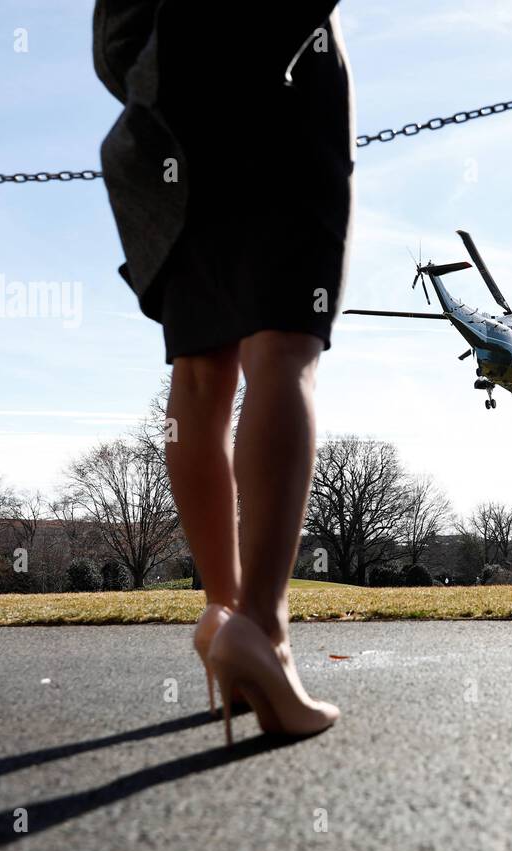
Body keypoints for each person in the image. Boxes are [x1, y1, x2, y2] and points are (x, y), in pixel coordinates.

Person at [94, 1, 352, 741]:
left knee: (201, 375)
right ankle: (263, 631)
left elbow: (112, 35)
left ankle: (220, 606)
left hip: (163, 103)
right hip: (280, 73)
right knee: (284, 349)